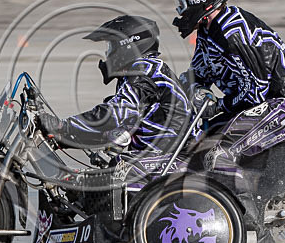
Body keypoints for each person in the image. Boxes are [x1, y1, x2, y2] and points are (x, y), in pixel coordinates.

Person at [149, 0, 285, 243]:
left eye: (181, 3)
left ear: (201, 0)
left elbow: (256, 92)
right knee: (189, 152)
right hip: (250, 105)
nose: (178, 10)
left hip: (281, 104)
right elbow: (197, 74)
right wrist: (164, 94)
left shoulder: (233, 30)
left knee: (220, 154)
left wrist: (215, 106)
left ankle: (257, 236)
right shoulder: (209, 29)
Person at [38, 15, 192, 156]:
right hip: (157, 153)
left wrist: (63, 126)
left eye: (111, 46)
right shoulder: (142, 70)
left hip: (170, 155)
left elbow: (115, 114)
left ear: (127, 45)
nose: (108, 53)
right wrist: (64, 139)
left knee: (105, 182)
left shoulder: (144, 70)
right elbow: (115, 128)